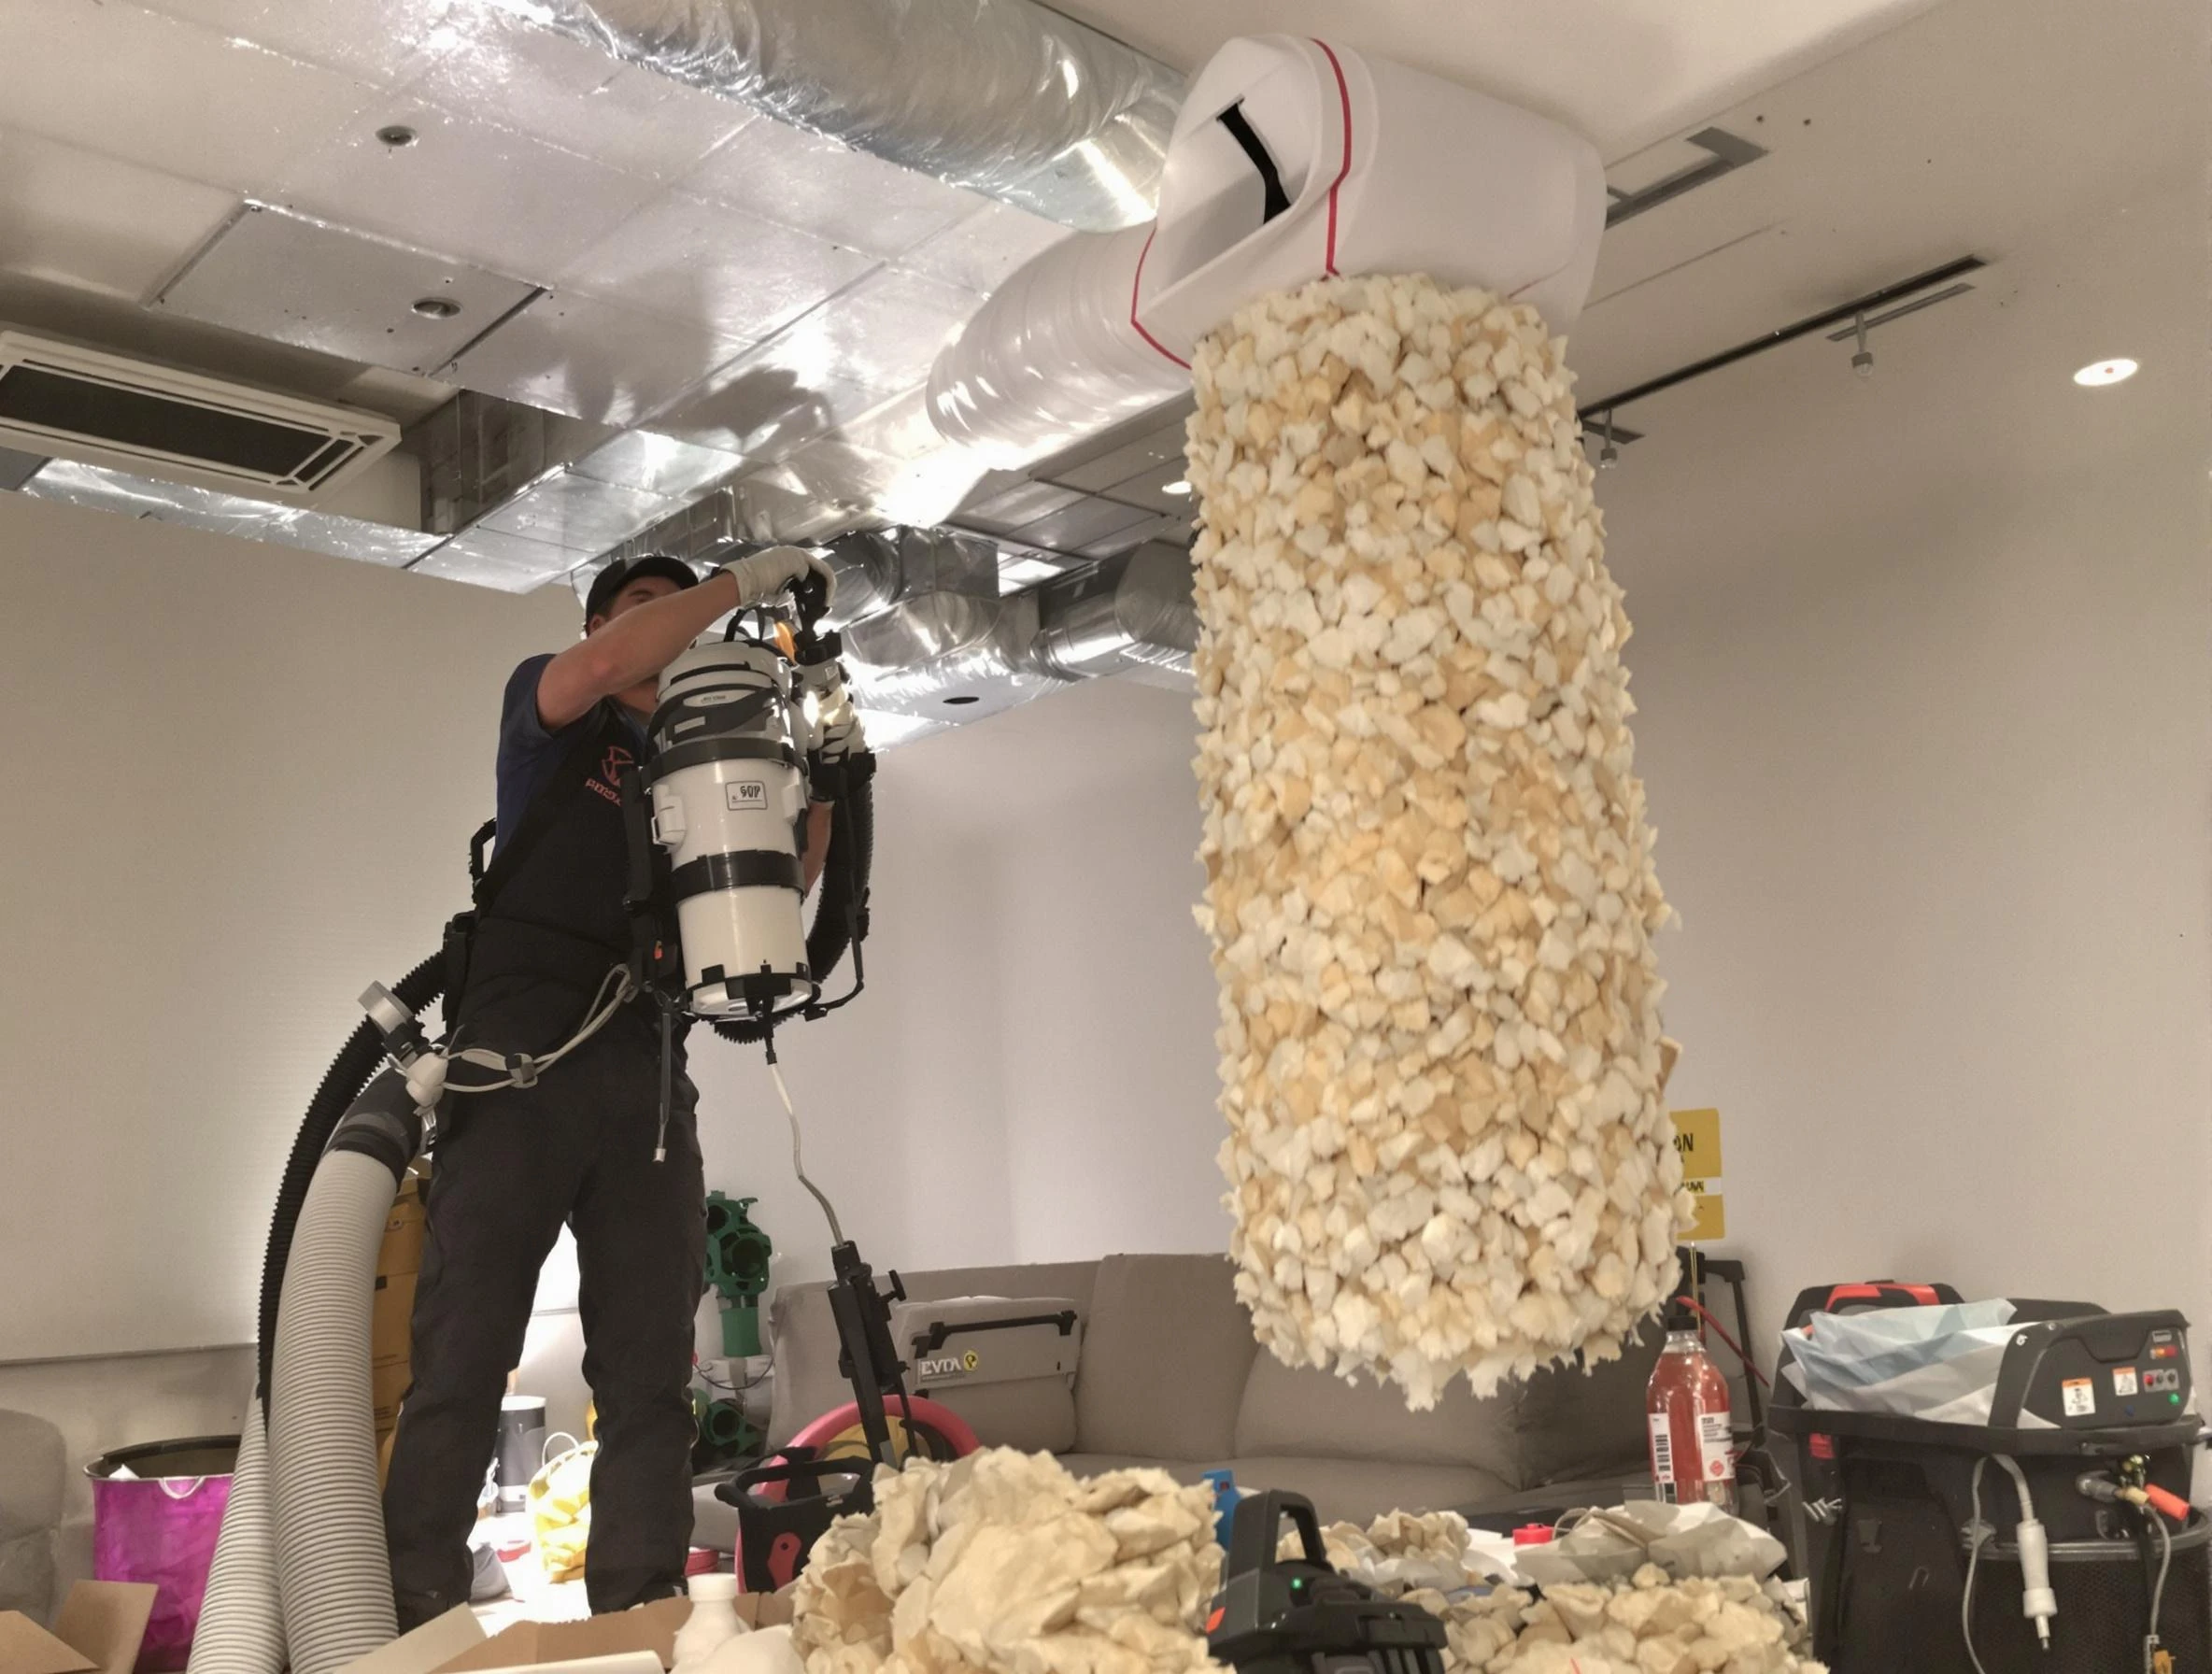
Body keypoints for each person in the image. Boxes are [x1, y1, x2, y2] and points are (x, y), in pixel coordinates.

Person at [384, 546, 833, 1627]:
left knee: (647, 1377)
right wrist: (746, 579)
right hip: (517, 1063)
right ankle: (407, 1617)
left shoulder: (696, 770)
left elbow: (778, 888)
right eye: (647, 613)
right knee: (464, 1353)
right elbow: (615, 658)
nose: (672, 636)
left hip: (644, 1072)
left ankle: (643, 1612)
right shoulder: (550, 712)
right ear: (601, 627)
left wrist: (825, 775)